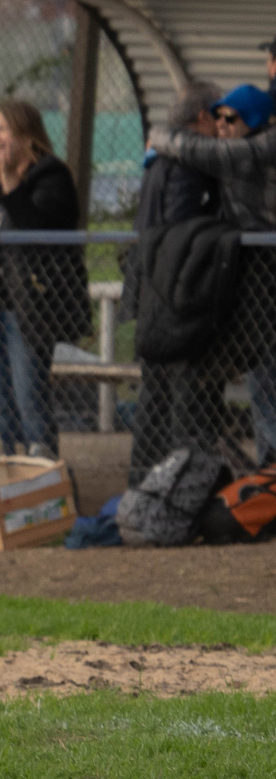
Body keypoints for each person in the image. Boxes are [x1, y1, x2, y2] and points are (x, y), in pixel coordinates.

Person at [0, 100, 88, 459]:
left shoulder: (52, 176)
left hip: (27, 308)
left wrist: (12, 183)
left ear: (26, 135)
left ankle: (42, 472)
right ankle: (14, 464)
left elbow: (33, 229)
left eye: (2, 130)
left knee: (29, 394)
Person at [148, 82, 276, 464]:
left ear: (253, 121)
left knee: (269, 382)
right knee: (261, 380)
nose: (220, 123)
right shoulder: (233, 151)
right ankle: (268, 479)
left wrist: (158, 135)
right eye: (216, 115)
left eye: (230, 117)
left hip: (268, 278)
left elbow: (200, 150)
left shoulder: (262, 147)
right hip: (257, 284)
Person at [127, 83, 224, 484]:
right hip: (172, 299)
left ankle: (144, 479)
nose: (221, 128)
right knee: (181, 395)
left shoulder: (159, 158)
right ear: (202, 117)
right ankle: (183, 483)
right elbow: (180, 231)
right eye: (218, 117)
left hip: (152, 292)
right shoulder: (185, 164)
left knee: (156, 392)